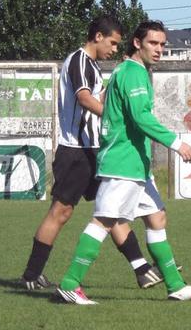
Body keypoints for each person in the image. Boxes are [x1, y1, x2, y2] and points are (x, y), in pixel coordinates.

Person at [54, 20, 191, 304]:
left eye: (163, 44)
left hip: (136, 163)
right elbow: (141, 117)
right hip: (122, 161)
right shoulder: (132, 73)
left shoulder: (131, 71)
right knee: (103, 220)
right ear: (137, 43)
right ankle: (70, 282)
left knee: (157, 217)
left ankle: (175, 285)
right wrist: (176, 143)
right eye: (153, 43)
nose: (159, 49)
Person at [21, 15, 164, 291]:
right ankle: (31, 275)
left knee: (110, 211)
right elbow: (84, 98)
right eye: (111, 43)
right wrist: (115, 117)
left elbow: (100, 99)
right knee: (61, 213)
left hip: (94, 150)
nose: (113, 49)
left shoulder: (95, 66)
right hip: (74, 151)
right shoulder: (78, 60)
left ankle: (142, 269)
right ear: (98, 37)